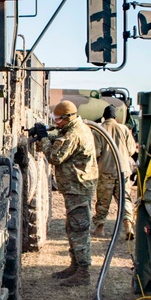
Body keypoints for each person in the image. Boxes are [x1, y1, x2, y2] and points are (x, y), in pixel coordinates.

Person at [35, 100, 98, 286]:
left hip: (78, 188)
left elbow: (55, 157)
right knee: (72, 227)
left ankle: (84, 272)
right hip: (75, 187)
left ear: (67, 118)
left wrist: (44, 138)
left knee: (79, 229)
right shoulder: (74, 128)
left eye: (58, 119)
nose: (56, 122)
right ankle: (75, 265)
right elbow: (60, 138)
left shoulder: (74, 133)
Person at [92, 105, 138, 240]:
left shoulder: (99, 129)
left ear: (103, 116)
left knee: (103, 201)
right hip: (123, 171)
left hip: (106, 170)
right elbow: (131, 150)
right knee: (125, 199)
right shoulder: (124, 129)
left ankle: (100, 228)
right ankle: (128, 226)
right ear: (115, 117)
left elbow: (97, 151)